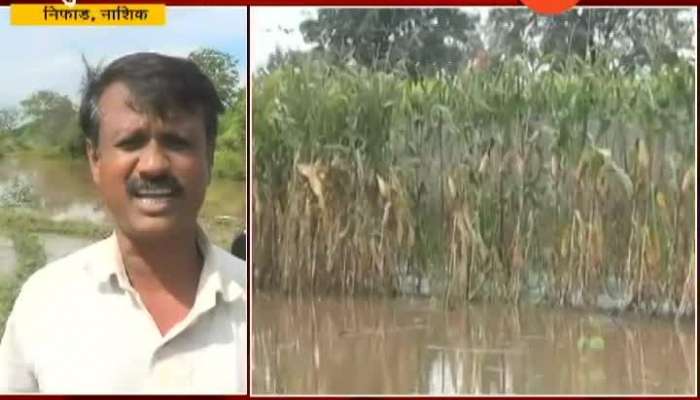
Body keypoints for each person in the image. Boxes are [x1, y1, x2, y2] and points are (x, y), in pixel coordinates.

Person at [0, 52, 247, 393]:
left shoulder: (267, 310)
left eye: (177, 142)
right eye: (130, 142)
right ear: (95, 159)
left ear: (210, 157)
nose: (153, 165)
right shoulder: (44, 303)